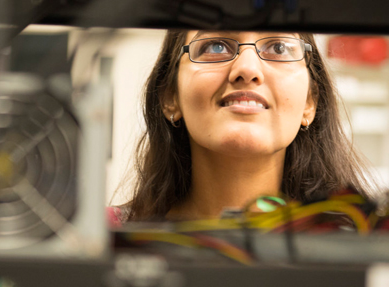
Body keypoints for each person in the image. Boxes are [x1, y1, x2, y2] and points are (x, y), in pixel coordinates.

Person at [118, 30, 372, 222]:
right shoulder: (107, 238)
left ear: (309, 102)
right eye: (215, 46)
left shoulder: (364, 242)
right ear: (170, 96)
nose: (247, 69)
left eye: (279, 47)